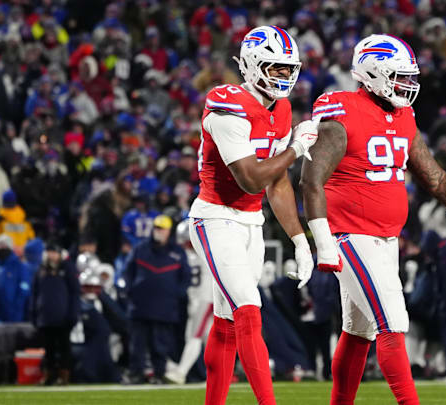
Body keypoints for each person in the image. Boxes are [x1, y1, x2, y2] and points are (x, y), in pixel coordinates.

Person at [301, 34, 446, 405]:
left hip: (386, 238)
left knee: (357, 330)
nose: (407, 85)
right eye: (399, 77)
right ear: (372, 73)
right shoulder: (340, 111)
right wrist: (324, 243)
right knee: (393, 323)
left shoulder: (402, 115)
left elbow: (435, 177)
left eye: (410, 77)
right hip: (351, 236)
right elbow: (310, 181)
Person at [187, 26, 317, 405]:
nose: (284, 77)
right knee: (249, 308)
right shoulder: (226, 103)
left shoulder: (283, 108)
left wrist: (299, 241)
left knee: (227, 322)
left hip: (251, 222)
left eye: (288, 69)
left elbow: (276, 184)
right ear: (252, 65)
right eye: (275, 68)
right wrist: (294, 149)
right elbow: (250, 179)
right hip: (214, 217)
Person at [123, 215, 191, 384]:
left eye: (162, 229)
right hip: (140, 304)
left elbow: (186, 278)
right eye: (156, 228)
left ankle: (159, 375)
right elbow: (127, 272)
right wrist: (131, 291)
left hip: (165, 306)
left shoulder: (177, 252)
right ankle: (135, 374)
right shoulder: (140, 249)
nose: (158, 232)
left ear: (169, 231)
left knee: (160, 344)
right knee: (137, 344)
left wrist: (176, 294)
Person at [165, 219, 214, 385]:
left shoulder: (187, 256)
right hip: (201, 298)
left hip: (204, 298)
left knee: (195, 336)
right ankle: (221, 371)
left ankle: (181, 372)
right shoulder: (206, 251)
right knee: (206, 336)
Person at [30, 241, 80, 385]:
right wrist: (34, 314)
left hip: (63, 316)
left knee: (64, 347)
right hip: (45, 316)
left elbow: (75, 293)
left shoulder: (67, 268)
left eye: (54, 252)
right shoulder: (40, 270)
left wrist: (73, 313)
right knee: (48, 348)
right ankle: (49, 375)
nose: (52, 255)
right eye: (50, 252)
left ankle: (64, 375)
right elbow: (34, 293)